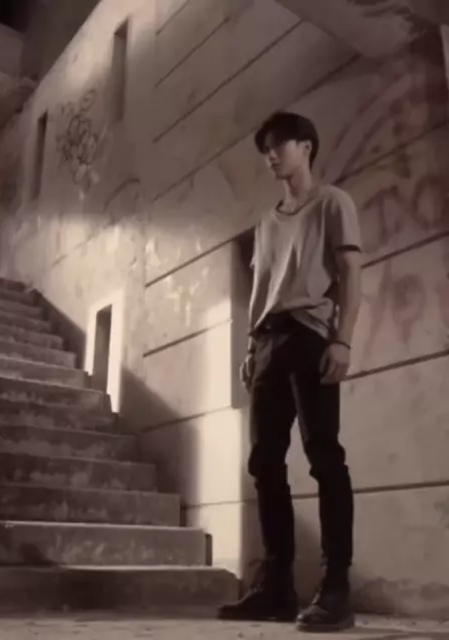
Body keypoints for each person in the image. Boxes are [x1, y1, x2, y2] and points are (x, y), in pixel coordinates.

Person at [218, 112, 362, 632]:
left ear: (306, 147)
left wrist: (342, 339)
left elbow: (350, 273)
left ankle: (336, 588)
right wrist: (249, 348)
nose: (271, 155)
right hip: (268, 341)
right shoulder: (265, 222)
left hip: (310, 334)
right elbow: (261, 289)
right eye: (266, 149)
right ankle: (277, 586)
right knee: (264, 462)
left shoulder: (332, 202)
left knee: (324, 456)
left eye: (280, 144)